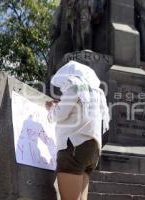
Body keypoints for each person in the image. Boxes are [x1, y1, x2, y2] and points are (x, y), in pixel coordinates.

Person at [46, 60, 110, 200]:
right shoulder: (97, 93)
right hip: (92, 150)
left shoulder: (76, 86)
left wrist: (51, 110)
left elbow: (60, 114)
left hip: (73, 147)